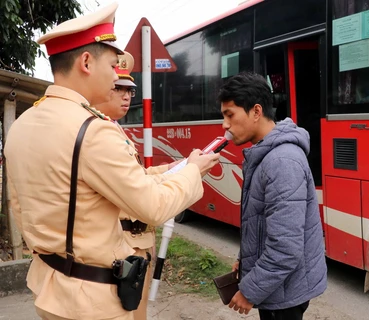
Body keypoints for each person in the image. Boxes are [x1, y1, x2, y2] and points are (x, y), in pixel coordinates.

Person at [4, 3, 220, 320]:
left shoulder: (23, 124)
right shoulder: (92, 131)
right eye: (112, 64)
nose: (115, 76)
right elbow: (153, 207)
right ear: (87, 62)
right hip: (92, 298)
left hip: (48, 286)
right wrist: (192, 171)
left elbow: (18, 205)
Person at [218, 72, 327, 319]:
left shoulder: (281, 161)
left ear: (256, 112)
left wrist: (249, 292)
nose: (224, 125)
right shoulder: (265, 154)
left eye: (230, 115)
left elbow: (286, 247)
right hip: (278, 287)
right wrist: (245, 259)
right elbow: (262, 222)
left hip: (285, 294)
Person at [94, 51, 168, 320]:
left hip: (139, 240)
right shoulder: (100, 133)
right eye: (118, 89)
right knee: (129, 312)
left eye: (130, 91)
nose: (126, 96)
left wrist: (166, 170)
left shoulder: (116, 129)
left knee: (139, 311)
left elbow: (134, 176)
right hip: (124, 243)